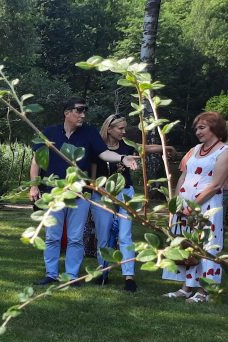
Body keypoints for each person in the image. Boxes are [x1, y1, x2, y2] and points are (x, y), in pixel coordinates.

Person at [28, 97, 139, 285]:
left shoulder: (89, 133)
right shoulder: (50, 133)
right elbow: (36, 161)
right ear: (67, 112)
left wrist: (122, 158)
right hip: (54, 192)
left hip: (79, 193)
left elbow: (103, 153)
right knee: (52, 236)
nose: (82, 115)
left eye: (84, 111)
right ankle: (51, 274)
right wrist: (34, 185)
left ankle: (72, 276)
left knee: (75, 237)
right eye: (79, 110)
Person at [91, 113, 174, 291]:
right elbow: (92, 174)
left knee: (124, 235)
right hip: (102, 194)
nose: (124, 131)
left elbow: (145, 147)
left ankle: (129, 277)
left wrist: (165, 147)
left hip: (125, 193)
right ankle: (102, 272)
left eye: (124, 128)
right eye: (120, 128)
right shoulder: (97, 147)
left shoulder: (127, 146)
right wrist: (95, 190)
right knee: (103, 235)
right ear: (109, 129)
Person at [161, 111, 227, 303]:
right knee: (187, 246)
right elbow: (183, 175)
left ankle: (205, 290)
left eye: (202, 127)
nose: (197, 132)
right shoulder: (194, 149)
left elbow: (215, 185)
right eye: (196, 128)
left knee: (206, 246)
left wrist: (192, 205)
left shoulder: (224, 151)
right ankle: (186, 287)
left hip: (206, 206)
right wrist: (177, 202)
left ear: (215, 128)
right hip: (184, 205)